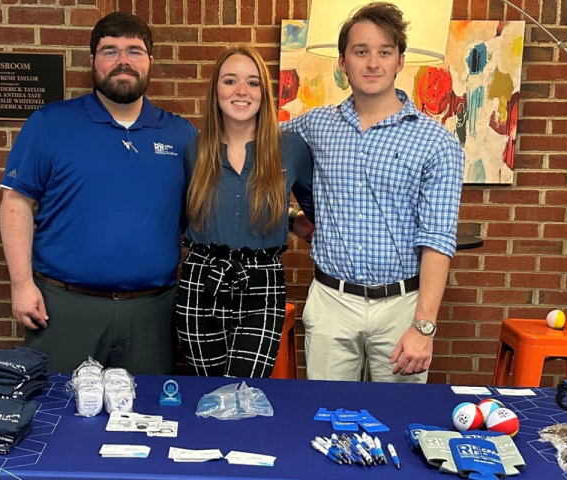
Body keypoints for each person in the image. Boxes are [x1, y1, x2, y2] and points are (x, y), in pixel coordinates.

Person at [0, 12, 197, 374]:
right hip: (64, 308)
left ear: (150, 62)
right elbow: (16, 203)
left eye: (134, 51)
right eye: (111, 50)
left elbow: (204, 208)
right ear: (93, 61)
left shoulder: (181, 136)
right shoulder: (50, 124)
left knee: (145, 419)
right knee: (57, 418)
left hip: (152, 312)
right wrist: (21, 284)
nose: (123, 60)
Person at [283, 2, 464, 383]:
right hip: (332, 300)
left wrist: (424, 326)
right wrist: (288, 219)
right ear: (343, 61)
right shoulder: (315, 126)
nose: (372, 63)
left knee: (397, 423)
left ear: (400, 61)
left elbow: (438, 239)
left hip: (402, 307)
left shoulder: (436, 144)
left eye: (384, 52)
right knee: (326, 418)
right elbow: (258, 157)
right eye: (360, 51)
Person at [176, 46, 314, 378]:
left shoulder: (291, 148)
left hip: (262, 281)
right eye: (230, 81)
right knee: (207, 391)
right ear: (216, 90)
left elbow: (317, 212)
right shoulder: (195, 149)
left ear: (264, 94)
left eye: (252, 83)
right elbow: (181, 215)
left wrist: (292, 218)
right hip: (201, 280)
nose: (241, 91)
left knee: (245, 390)